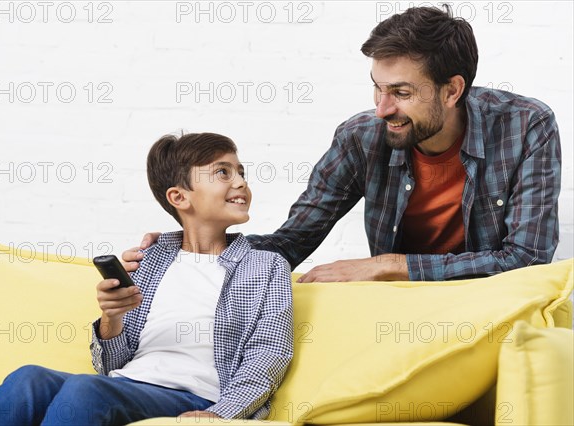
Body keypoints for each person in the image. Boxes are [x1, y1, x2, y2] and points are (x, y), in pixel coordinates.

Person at [123, 5, 561, 283]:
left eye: (402, 94)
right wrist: (186, 248)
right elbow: (292, 241)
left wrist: (386, 265)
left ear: (452, 91)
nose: (382, 109)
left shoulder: (526, 126)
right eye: (378, 88)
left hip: (491, 311)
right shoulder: (361, 138)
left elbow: (526, 259)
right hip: (399, 316)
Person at [0, 133, 293, 424]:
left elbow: (270, 354)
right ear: (180, 198)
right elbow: (109, 366)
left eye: (241, 172)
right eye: (223, 172)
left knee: (86, 390)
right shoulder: (149, 259)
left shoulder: (264, 266)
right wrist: (112, 318)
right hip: (124, 385)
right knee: (28, 378)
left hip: (195, 396)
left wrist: (218, 413)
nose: (240, 182)